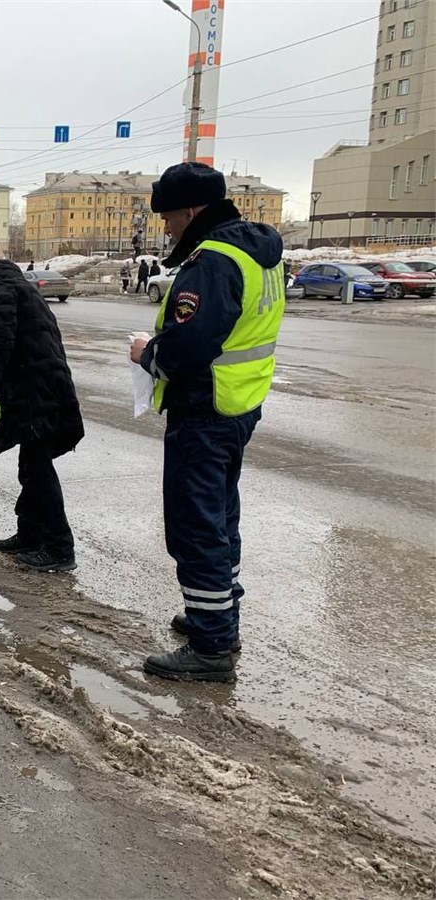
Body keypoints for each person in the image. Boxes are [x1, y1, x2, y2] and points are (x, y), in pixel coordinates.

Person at [129, 162, 285, 683]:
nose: (166, 227)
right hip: (239, 406)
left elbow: (189, 347)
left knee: (196, 526)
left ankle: (211, 645)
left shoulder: (212, 261)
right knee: (221, 517)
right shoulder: (257, 252)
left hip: (205, 410)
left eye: (170, 216)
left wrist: (147, 353)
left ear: (192, 210)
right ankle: (218, 616)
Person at [0, 260, 84, 573]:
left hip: (36, 394)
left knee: (38, 470)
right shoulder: (26, 291)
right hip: (47, 390)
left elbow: (0, 338)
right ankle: (30, 534)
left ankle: (60, 548)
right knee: (30, 465)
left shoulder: (3, 292)